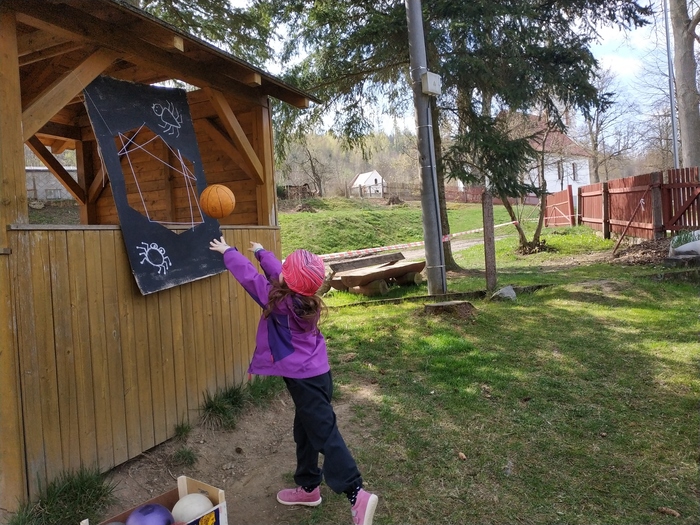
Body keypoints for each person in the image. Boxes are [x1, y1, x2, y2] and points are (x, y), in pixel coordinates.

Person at [209, 237, 379, 525]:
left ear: (288, 281)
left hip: (304, 380)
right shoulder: (305, 299)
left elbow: (251, 279)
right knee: (305, 431)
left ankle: (356, 493)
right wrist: (262, 253)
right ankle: (309, 487)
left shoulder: (280, 303)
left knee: (324, 434)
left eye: (285, 269)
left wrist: (229, 252)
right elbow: (279, 273)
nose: (281, 270)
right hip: (318, 374)